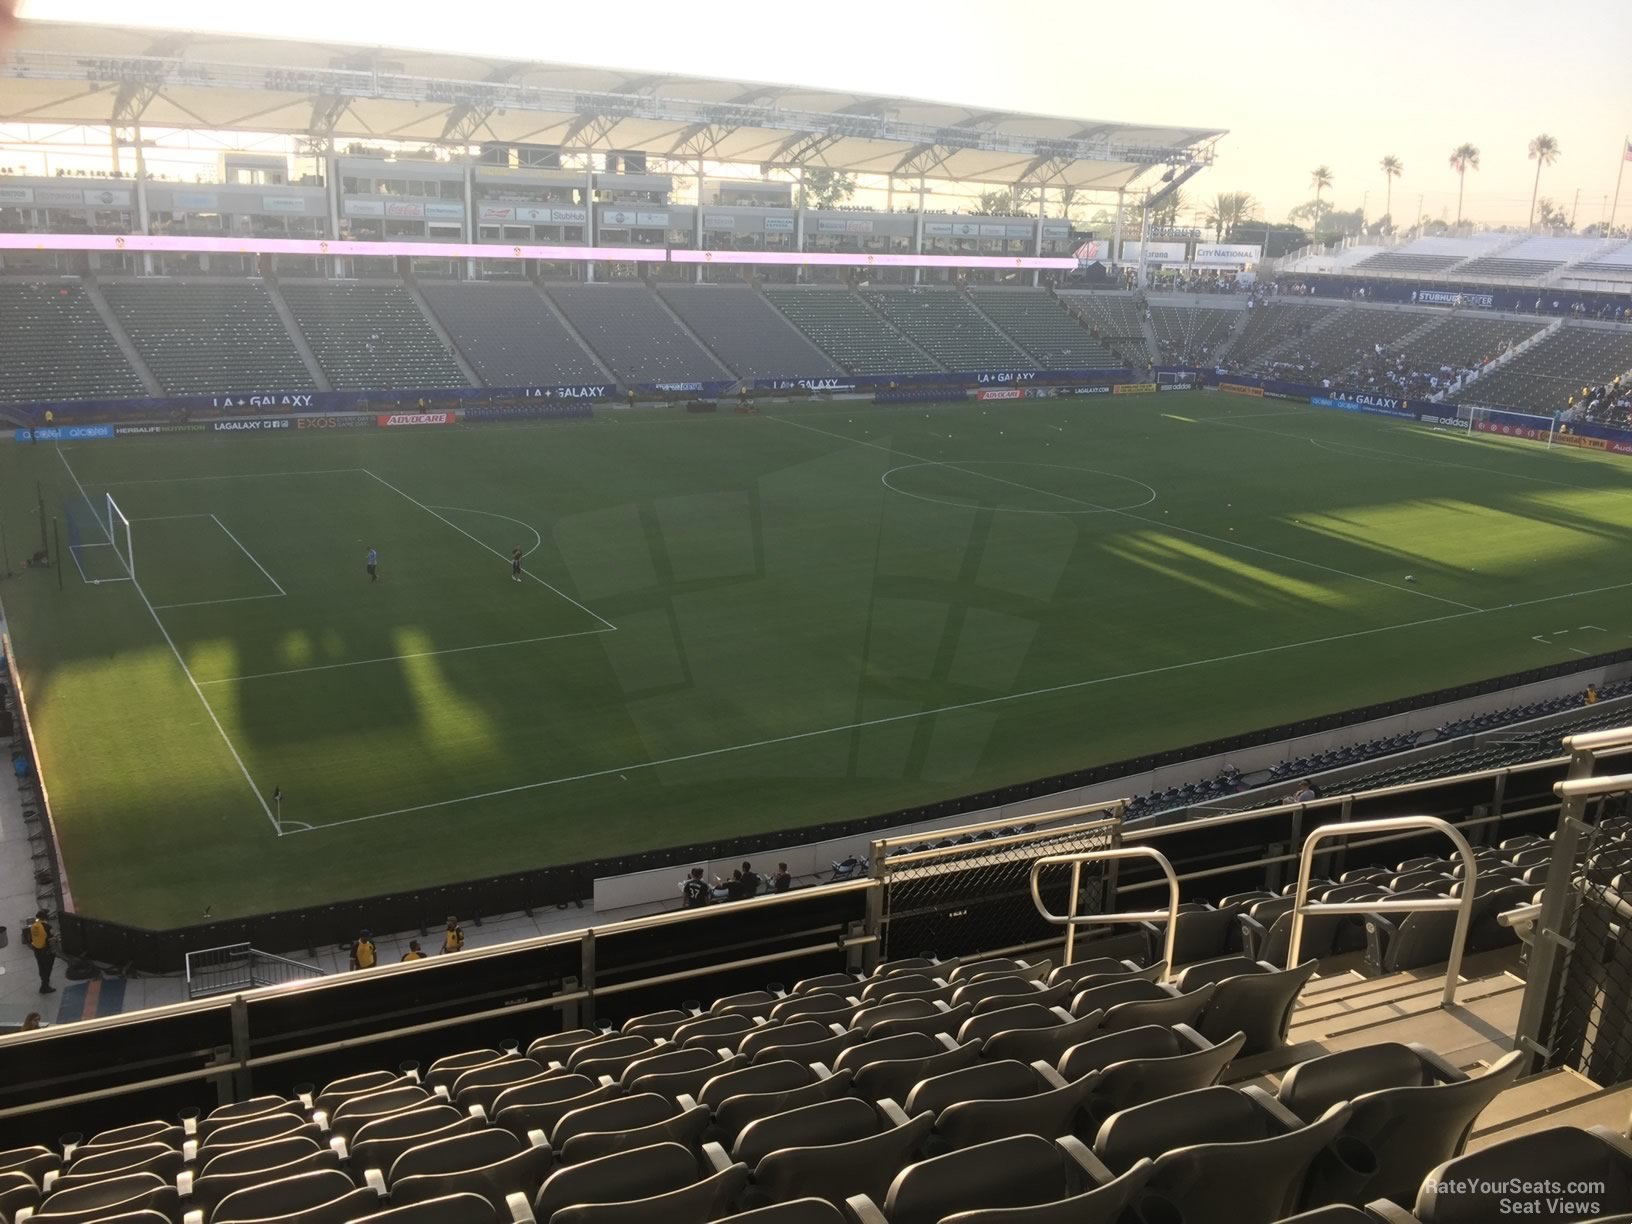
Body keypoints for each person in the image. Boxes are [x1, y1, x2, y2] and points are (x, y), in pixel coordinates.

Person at [27, 910, 54, 994]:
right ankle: (44, 987)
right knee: (47, 968)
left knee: (41, 967)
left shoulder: (34, 925)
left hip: (37, 950)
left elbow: (31, 939)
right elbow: (50, 940)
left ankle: (44, 982)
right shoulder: (47, 927)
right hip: (45, 951)